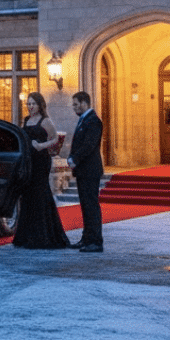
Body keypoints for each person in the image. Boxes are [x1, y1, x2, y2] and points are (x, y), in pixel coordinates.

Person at [12, 92, 70, 249]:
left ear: (40, 105)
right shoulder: (26, 120)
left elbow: (55, 138)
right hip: (29, 161)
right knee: (28, 195)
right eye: (28, 104)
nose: (30, 106)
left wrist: (41, 146)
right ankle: (26, 236)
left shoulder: (46, 121)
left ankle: (43, 236)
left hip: (41, 161)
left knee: (40, 194)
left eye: (33, 104)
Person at [67, 91, 104, 252]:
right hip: (83, 171)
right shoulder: (84, 120)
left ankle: (95, 241)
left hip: (90, 170)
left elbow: (89, 145)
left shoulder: (93, 121)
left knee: (91, 206)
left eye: (76, 104)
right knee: (85, 206)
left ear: (84, 103)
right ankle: (87, 238)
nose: (74, 107)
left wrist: (74, 158)